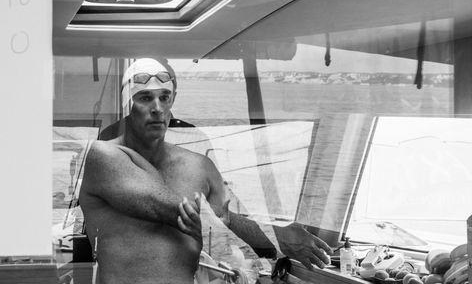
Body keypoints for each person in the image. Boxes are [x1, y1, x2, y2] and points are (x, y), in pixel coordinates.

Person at [79, 58, 333, 284]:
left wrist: (282, 245)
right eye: (145, 97)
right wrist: (276, 234)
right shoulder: (102, 156)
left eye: (164, 97)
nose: (157, 107)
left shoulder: (200, 165)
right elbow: (170, 209)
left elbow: (232, 216)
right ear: (127, 105)